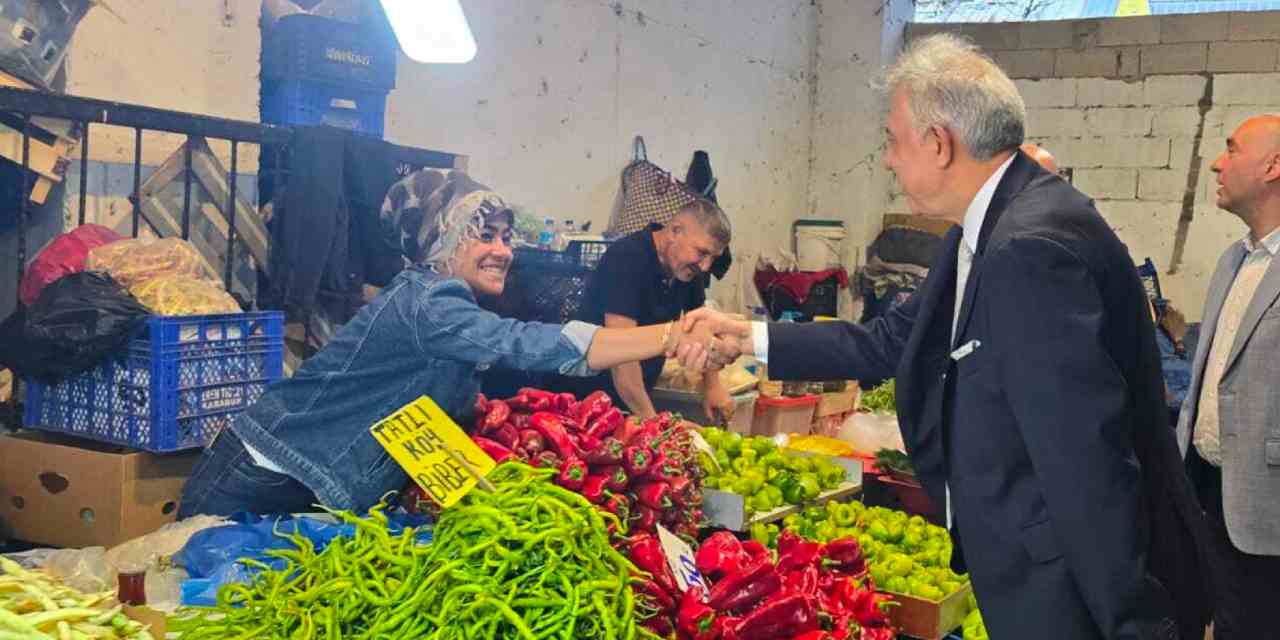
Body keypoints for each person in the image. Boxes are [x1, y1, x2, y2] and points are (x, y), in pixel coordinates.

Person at [680, 34, 1213, 640]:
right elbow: (888, 342)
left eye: (891, 140)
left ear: (938, 144)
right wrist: (747, 336)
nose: (886, 159)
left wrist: (1135, 624)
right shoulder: (982, 231)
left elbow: (1085, 458)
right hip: (1023, 563)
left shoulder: (1028, 247)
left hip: (1060, 584)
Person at [178, 169, 713, 518]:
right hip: (258, 478)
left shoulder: (448, 305)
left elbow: (427, 420)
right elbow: (526, 344)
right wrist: (668, 335)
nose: (503, 250)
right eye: (484, 235)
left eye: (506, 236)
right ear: (441, 240)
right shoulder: (427, 303)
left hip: (310, 484)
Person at [1177, 115, 1280, 640]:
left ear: (1272, 166)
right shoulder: (1232, 261)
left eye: (1232, 149)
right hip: (1206, 489)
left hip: (1267, 508)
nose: (1218, 162)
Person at [553, 199, 733, 422]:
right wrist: (652, 421)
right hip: (587, 401)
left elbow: (700, 328)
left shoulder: (688, 269)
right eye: (702, 252)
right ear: (675, 231)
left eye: (713, 257)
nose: (705, 266)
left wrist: (713, 386)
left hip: (633, 400)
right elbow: (621, 356)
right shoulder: (627, 258)